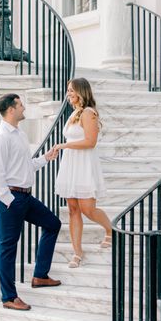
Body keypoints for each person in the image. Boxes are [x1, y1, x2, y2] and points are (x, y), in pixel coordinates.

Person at [0, 93, 62, 311]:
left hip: (25, 196)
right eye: (20, 105)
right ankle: (9, 297)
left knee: (53, 224)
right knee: (8, 248)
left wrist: (45, 158)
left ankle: (40, 275)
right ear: (11, 109)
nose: (24, 108)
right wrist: (8, 201)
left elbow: (25, 165)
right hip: (11, 198)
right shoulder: (1, 136)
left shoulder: (19, 134)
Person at [53, 78, 112, 268]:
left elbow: (90, 142)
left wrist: (64, 145)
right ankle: (77, 252)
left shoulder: (88, 112)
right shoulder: (74, 114)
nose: (68, 93)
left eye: (71, 90)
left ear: (80, 91)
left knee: (88, 208)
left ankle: (111, 230)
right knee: (72, 209)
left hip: (84, 165)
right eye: (67, 90)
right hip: (71, 165)